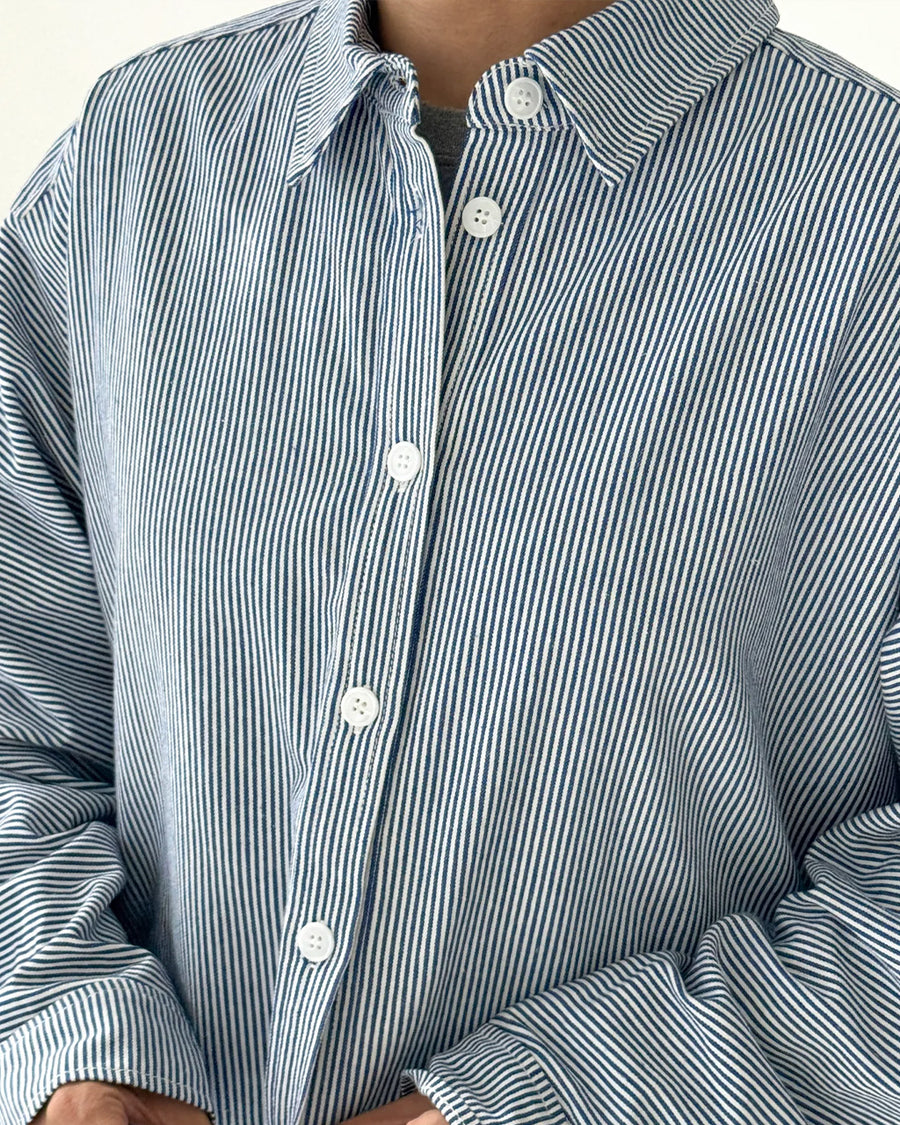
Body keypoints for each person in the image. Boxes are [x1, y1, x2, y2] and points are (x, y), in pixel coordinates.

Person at [4, 0, 900, 1121]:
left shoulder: (874, 220)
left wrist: (537, 1099)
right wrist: (77, 1039)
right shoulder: (128, 168)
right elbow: (19, 721)